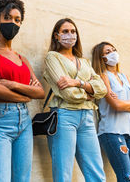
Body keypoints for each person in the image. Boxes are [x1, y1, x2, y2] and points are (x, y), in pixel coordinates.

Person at [0, 0, 45, 182]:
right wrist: (25, 96)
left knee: (23, 178)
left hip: (24, 121)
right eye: (7, 18)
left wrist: (14, 84)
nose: (12, 23)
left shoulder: (22, 58)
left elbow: (40, 92)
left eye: (17, 20)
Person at [43, 18, 107, 182]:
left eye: (73, 31)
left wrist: (78, 82)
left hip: (87, 117)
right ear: (57, 36)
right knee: (63, 173)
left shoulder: (84, 62)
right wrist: (89, 93)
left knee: (96, 173)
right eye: (65, 32)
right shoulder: (53, 57)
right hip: (64, 116)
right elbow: (68, 94)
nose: (69, 35)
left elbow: (102, 88)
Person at [91, 41, 130, 182]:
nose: (113, 53)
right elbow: (117, 106)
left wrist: (125, 103)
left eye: (113, 50)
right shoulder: (102, 77)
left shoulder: (124, 77)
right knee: (127, 178)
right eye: (107, 52)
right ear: (101, 58)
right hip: (112, 132)